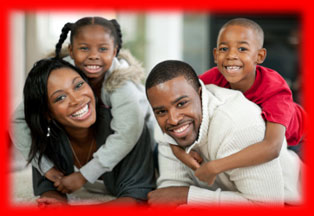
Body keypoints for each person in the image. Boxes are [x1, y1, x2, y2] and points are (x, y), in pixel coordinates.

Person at [11, 16, 156, 192]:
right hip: (101, 135)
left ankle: (130, 189)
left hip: (141, 142)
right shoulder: (60, 74)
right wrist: (44, 166)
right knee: (44, 120)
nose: (93, 56)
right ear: (71, 51)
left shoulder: (122, 85)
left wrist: (85, 175)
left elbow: (128, 134)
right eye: (84, 48)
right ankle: (49, 190)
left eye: (103, 49)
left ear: (114, 51)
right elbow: (18, 119)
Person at [146, 60, 302, 206]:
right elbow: (168, 195)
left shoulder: (238, 125)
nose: (173, 119)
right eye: (161, 111)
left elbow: (267, 206)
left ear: (200, 94)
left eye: (181, 104)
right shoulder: (167, 129)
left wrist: (188, 196)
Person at [170, 18, 305, 185]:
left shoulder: (275, 89)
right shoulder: (212, 79)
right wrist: (179, 151)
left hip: (296, 142)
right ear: (215, 55)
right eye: (224, 49)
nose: (231, 56)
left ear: (260, 56)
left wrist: (215, 167)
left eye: (242, 49)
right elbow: (175, 105)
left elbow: (272, 147)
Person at [22, 58, 155, 206]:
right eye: (60, 97)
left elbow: (138, 200)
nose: (76, 100)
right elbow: (48, 189)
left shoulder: (126, 127)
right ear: (47, 113)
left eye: (78, 85)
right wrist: (56, 203)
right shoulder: (46, 136)